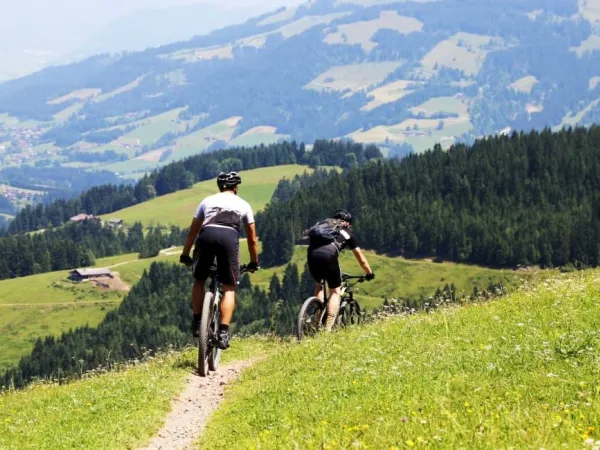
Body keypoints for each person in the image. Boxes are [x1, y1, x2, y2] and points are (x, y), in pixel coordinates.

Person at [180, 171, 259, 350]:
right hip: (229, 238)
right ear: (236, 187)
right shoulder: (244, 204)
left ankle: (197, 321)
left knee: (199, 280)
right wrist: (254, 261)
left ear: (219, 187)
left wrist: (185, 254)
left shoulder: (207, 201)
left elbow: (192, 231)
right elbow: (252, 238)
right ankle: (223, 332)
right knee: (229, 287)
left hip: (206, 236)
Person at [306, 209, 374, 331]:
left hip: (312, 255)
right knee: (335, 292)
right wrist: (369, 272)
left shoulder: (323, 225)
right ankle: (327, 328)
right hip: (329, 256)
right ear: (347, 223)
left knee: (319, 285)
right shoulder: (346, 233)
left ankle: (316, 320)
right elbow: (361, 258)